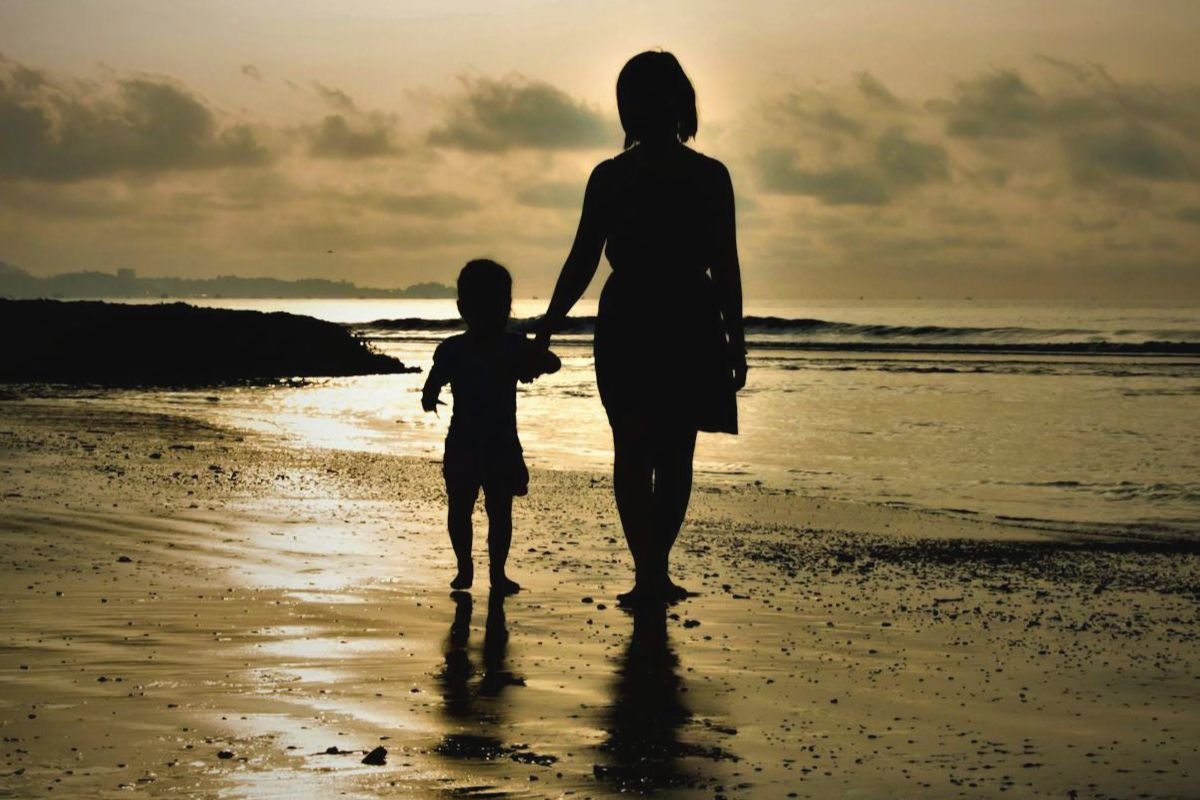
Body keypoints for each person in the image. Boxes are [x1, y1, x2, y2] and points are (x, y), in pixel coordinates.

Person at [535, 51, 747, 606]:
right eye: (640, 97)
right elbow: (582, 258)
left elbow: (725, 261)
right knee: (650, 450)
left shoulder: (699, 175)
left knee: (658, 451)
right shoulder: (627, 177)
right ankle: (651, 572)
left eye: (657, 97)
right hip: (658, 316)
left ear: (678, 104)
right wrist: (548, 325)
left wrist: (737, 338)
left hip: (660, 316)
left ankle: (651, 570)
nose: (649, 107)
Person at [423, 259, 561, 593]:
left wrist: (534, 358)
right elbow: (553, 363)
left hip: (467, 443)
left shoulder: (454, 349)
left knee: (464, 510)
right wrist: (535, 356)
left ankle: (469, 568)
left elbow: (432, 385)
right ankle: (491, 572)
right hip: (496, 443)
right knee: (496, 513)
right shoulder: (509, 346)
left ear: (461, 308)